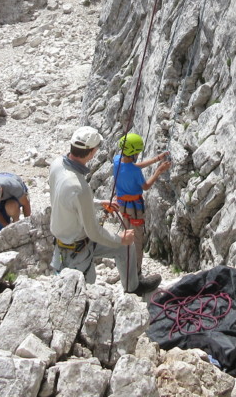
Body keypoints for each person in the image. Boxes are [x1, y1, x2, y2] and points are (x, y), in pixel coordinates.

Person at [49, 125, 159, 294]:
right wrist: (120, 238)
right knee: (86, 292)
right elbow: (93, 232)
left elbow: (68, 199)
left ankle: (133, 287)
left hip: (66, 243)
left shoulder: (57, 164)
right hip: (78, 249)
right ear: (92, 152)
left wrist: (99, 202)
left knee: (126, 248)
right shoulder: (79, 187)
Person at [111, 132, 171, 291]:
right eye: (137, 152)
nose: (138, 155)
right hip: (134, 210)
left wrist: (156, 159)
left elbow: (132, 166)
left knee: (126, 237)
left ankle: (126, 271)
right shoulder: (135, 172)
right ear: (134, 153)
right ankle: (136, 279)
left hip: (122, 206)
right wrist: (159, 170)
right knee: (136, 241)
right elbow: (145, 186)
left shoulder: (116, 161)